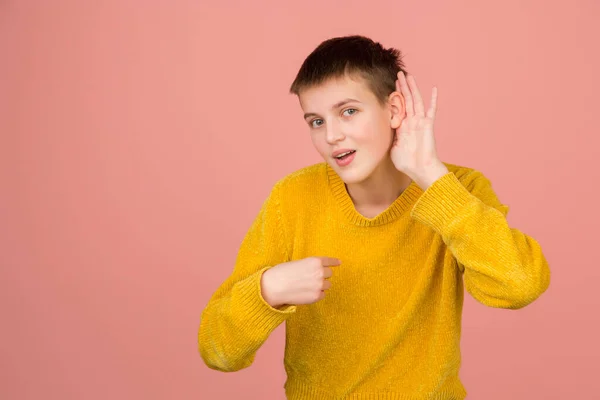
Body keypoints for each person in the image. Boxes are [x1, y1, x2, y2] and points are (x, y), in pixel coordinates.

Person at [198, 35, 551, 399]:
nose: (331, 135)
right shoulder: (292, 198)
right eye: (316, 121)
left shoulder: (456, 189)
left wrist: (430, 175)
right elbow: (218, 350)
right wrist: (268, 290)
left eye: (348, 111)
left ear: (395, 109)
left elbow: (519, 285)